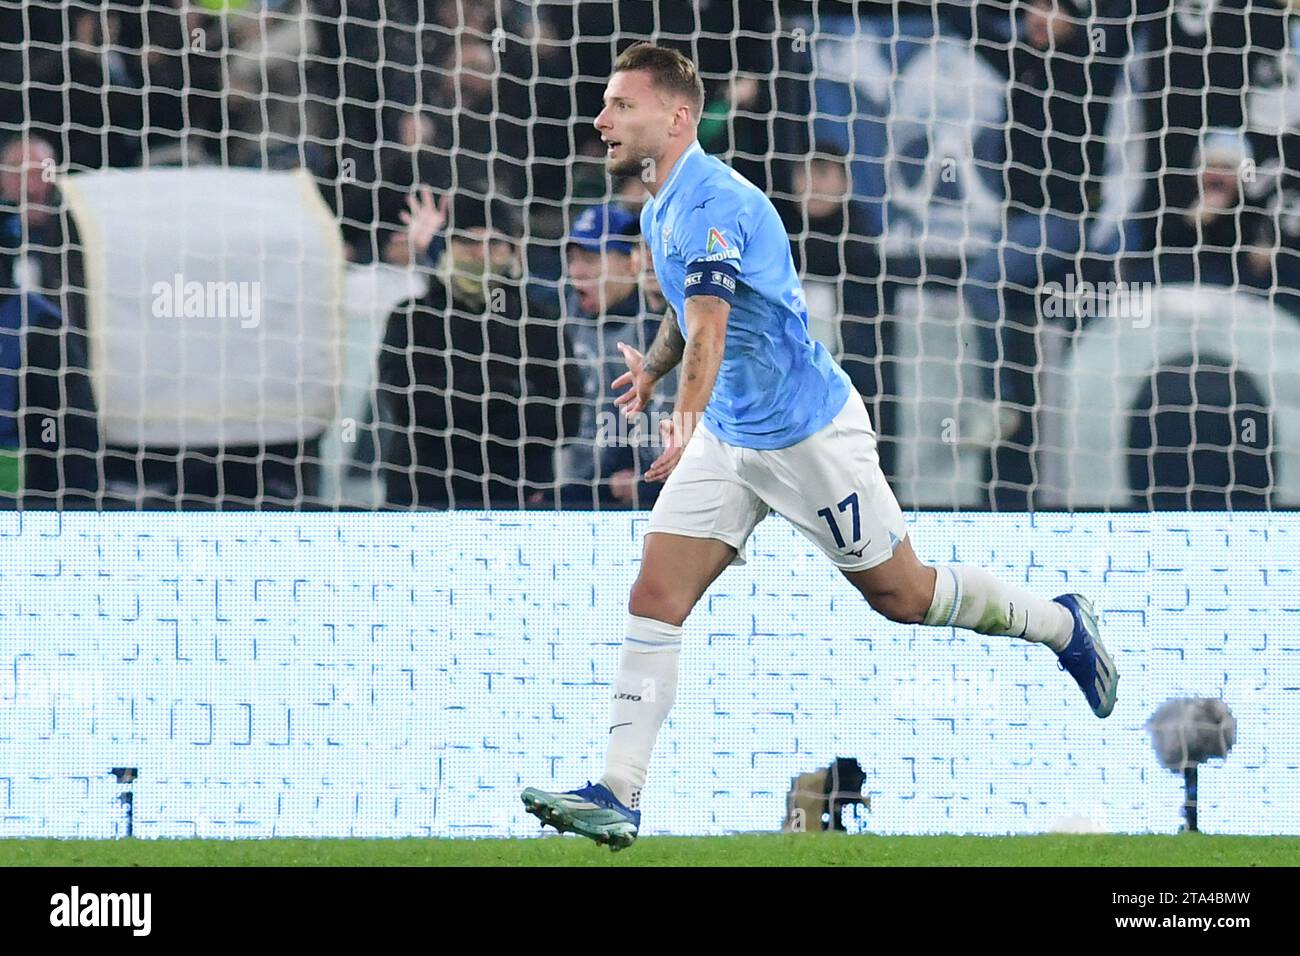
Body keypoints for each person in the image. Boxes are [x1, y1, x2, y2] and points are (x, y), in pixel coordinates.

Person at [520, 43, 1118, 850]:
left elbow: (710, 327)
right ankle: (618, 794)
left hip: (808, 438)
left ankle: (1061, 624)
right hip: (731, 437)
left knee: (904, 597)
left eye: (620, 105)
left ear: (675, 117)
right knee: (655, 596)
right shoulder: (660, 203)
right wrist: (658, 377)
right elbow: (683, 320)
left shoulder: (714, 203)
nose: (602, 119)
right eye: (605, 105)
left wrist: (681, 415)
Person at [374, 190, 581, 508]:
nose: (480, 254)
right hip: (422, 497)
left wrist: (456, 405)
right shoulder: (411, 317)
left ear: (512, 251)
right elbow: (408, 406)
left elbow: (564, 420)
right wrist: (507, 393)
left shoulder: (539, 322)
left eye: (494, 243)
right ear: (448, 248)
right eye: (468, 242)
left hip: (516, 499)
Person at [558, 203, 673, 508]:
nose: (577, 271)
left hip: (683, 488)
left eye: (591, 258)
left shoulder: (693, 328)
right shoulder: (564, 316)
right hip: (599, 483)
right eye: (572, 259)